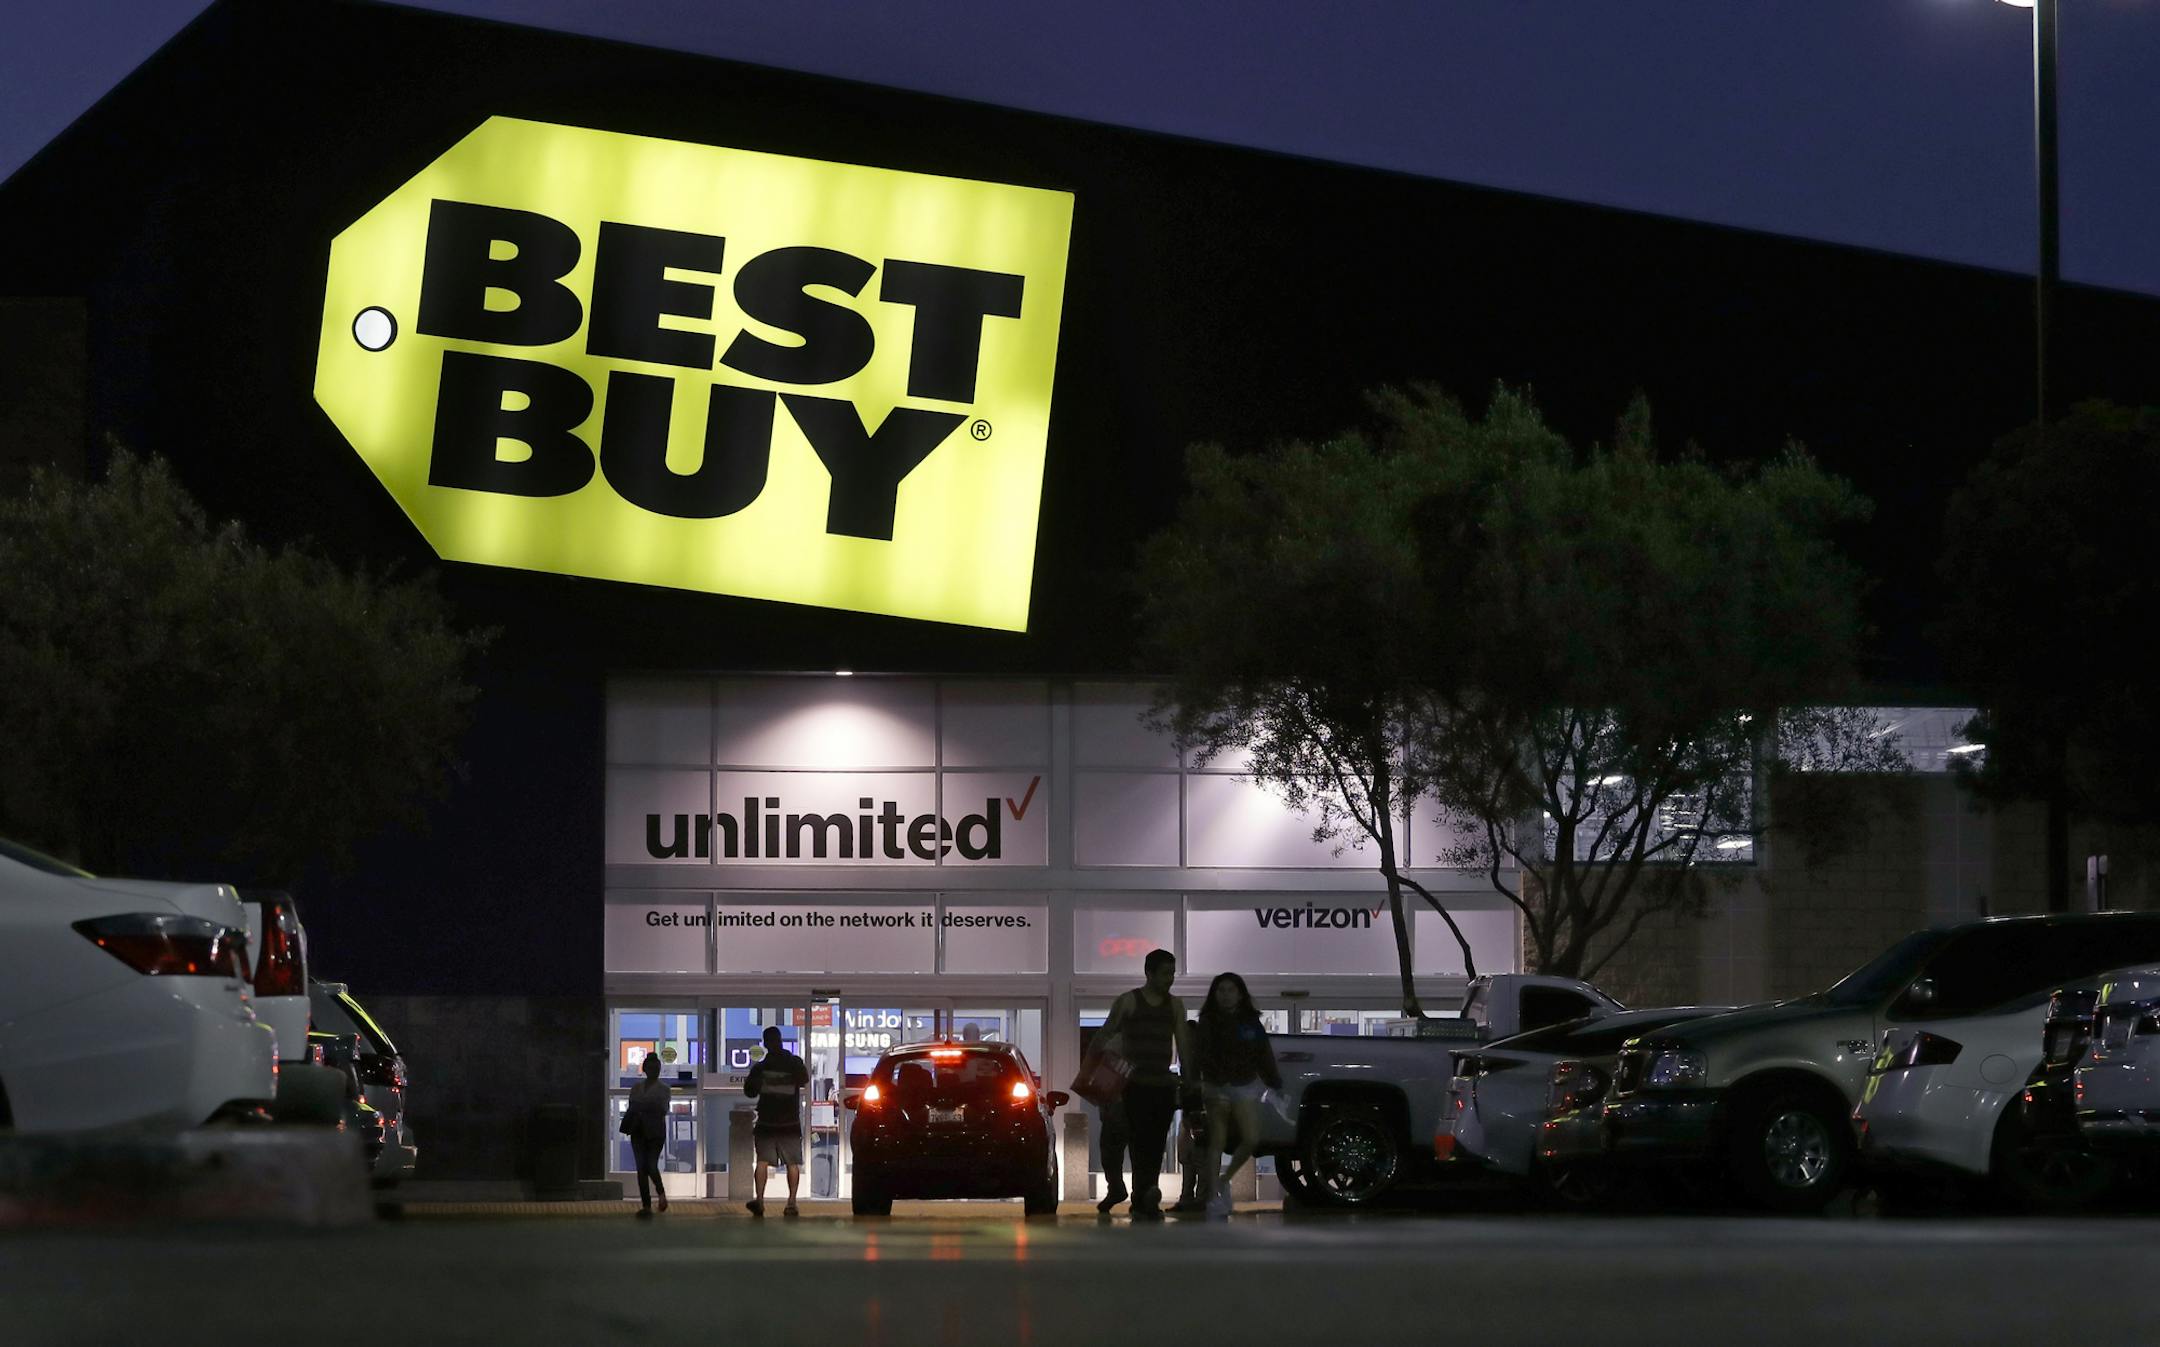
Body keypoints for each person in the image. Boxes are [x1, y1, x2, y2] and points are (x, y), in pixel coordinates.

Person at [1086, 948, 1196, 1220]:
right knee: (1134, 1143)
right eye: (1164, 974)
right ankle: (1141, 1195)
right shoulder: (1129, 1002)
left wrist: (1190, 1079)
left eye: (1172, 973)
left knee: (1154, 1145)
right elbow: (1104, 1034)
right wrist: (1091, 1072)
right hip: (1132, 1086)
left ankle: (1146, 1196)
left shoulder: (1175, 1005)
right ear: (1149, 973)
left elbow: (1183, 1044)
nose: (1169, 979)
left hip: (1161, 1085)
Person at [1195, 971, 1281, 1218]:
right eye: (1221, 990)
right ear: (1214, 994)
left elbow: (1263, 1053)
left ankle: (1224, 1180)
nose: (1225, 995)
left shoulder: (1251, 1022)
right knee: (1217, 1141)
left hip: (1244, 1084)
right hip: (1216, 1086)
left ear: (1241, 994)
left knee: (1252, 1138)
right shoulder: (1208, 1021)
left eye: (1231, 990)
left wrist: (1273, 1081)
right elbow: (1201, 1054)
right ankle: (1212, 1196)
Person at [744, 1025, 810, 1217]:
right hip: (789, 1121)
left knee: (762, 1161)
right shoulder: (794, 1063)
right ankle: (791, 1203)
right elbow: (804, 1079)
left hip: (766, 1121)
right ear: (780, 1040)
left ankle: (760, 1200)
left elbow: (749, 1091)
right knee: (792, 1162)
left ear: (765, 1043)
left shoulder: (761, 1067)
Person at [625, 1052, 672, 1217]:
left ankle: (660, 1193)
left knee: (650, 1164)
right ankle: (646, 1205)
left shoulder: (664, 1089)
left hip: (655, 1132)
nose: (654, 1071)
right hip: (638, 1131)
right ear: (645, 1069)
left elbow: (662, 1109)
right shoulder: (637, 1087)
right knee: (641, 1169)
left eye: (656, 1068)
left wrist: (643, 1106)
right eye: (651, 1068)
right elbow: (633, 1106)